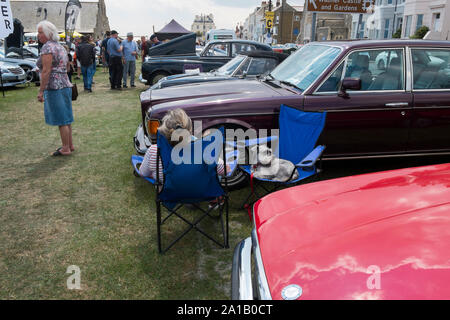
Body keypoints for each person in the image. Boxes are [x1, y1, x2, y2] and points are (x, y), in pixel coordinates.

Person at [139, 109, 225, 181]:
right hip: (198, 191)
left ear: (164, 130)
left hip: (170, 192)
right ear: (190, 130)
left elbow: (143, 173)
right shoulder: (202, 149)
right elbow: (224, 170)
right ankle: (215, 198)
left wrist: (154, 175)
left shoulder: (154, 151)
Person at [36, 20, 74, 156]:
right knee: (67, 117)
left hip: (54, 86)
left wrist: (41, 91)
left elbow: (46, 70)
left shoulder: (47, 47)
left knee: (61, 119)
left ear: (48, 33)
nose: (38, 35)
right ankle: (70, 145)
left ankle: (65, 148)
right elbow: (67, 66)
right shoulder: (60, 47)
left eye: (40, 32)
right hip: (65, 84)